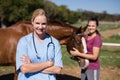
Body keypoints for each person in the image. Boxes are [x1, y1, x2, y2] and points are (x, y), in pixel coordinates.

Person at [16, 8, 63, 80]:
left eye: (43, 24)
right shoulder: (24, 41)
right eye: (37, 23)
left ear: (47, 23)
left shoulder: (54, 43)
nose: (40, 27)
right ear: (32, 22)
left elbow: (57, 70)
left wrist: (31, 65)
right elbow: (24, 69)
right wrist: (48, 64)